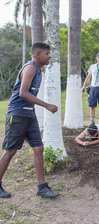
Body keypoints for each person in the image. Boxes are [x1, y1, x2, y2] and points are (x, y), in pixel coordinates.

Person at [0, 42, 59, 198]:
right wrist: (47, 105)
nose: (49, 56)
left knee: (38, 148)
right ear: (37, 54)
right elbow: (23, 93)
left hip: (29, 113)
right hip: (17, 114)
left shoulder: (39, 71)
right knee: (11, 150)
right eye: (47, 53)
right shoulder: (30, 68)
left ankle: (42, 187)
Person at [82, 52, 99, 125]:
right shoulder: (92, 66)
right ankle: (92, 120)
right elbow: (88, 77)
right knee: (92, 106)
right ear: (96, 58)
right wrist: (84, 86)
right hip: (93, 88)